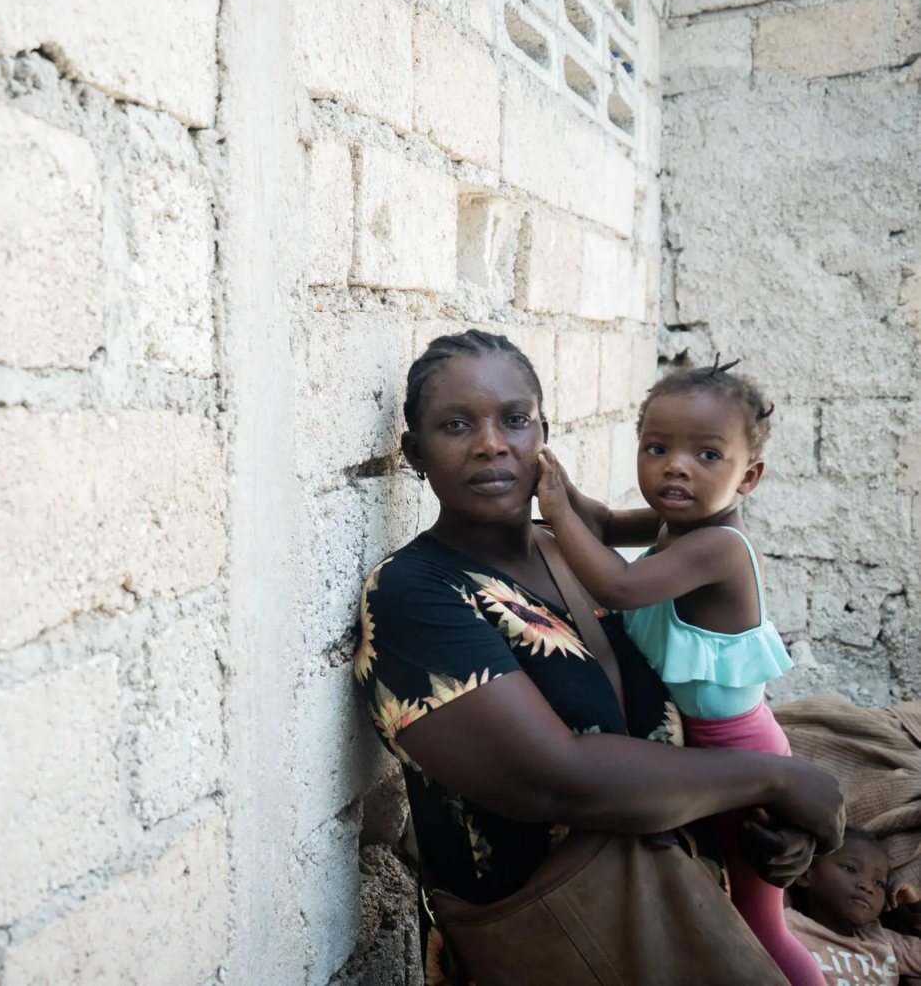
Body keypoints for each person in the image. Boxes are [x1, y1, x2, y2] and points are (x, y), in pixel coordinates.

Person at [355, 330, 844, 984]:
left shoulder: (572, 555)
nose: (492, 443)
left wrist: (755, 832)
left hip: (688, 919)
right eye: (455, 425)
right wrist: (772, 779)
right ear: (416, 454)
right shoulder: (415, 595)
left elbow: (675, 724)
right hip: (557, 941)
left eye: (516, 419)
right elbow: (555, 779)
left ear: (543, 436)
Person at [536, 359, 818, 985]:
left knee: (761, 925)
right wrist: (562, 486)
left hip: (740, 752)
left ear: (749, 478)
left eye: (707, 455)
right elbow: (605, 525)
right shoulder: (678, 524)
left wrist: (554, 513)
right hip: (701, 747)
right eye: (657, 447)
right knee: (715, 901)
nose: (676, 466)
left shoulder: (716, 548)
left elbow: (619, 582)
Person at [787, 829, 921, 985]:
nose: (868, 887)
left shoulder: (884, 942)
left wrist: (915, 904)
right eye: (850, 869)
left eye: (878, 883)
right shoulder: (787, 926)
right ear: (805, 875)